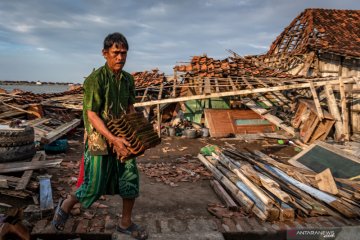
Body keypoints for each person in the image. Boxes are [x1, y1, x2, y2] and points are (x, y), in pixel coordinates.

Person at [51, 32, 148, 240]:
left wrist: (138, 133)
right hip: (100, 140)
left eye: (124, 53)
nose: (120, 57)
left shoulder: (128, 80)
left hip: (124, 137)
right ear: (105, 53)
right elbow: (92, 114)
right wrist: (113, 139)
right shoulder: (95, 80)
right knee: (94, 184)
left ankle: (125, 223)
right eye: (115, 53)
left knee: (130, 179)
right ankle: (67, 204)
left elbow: (130, 107)